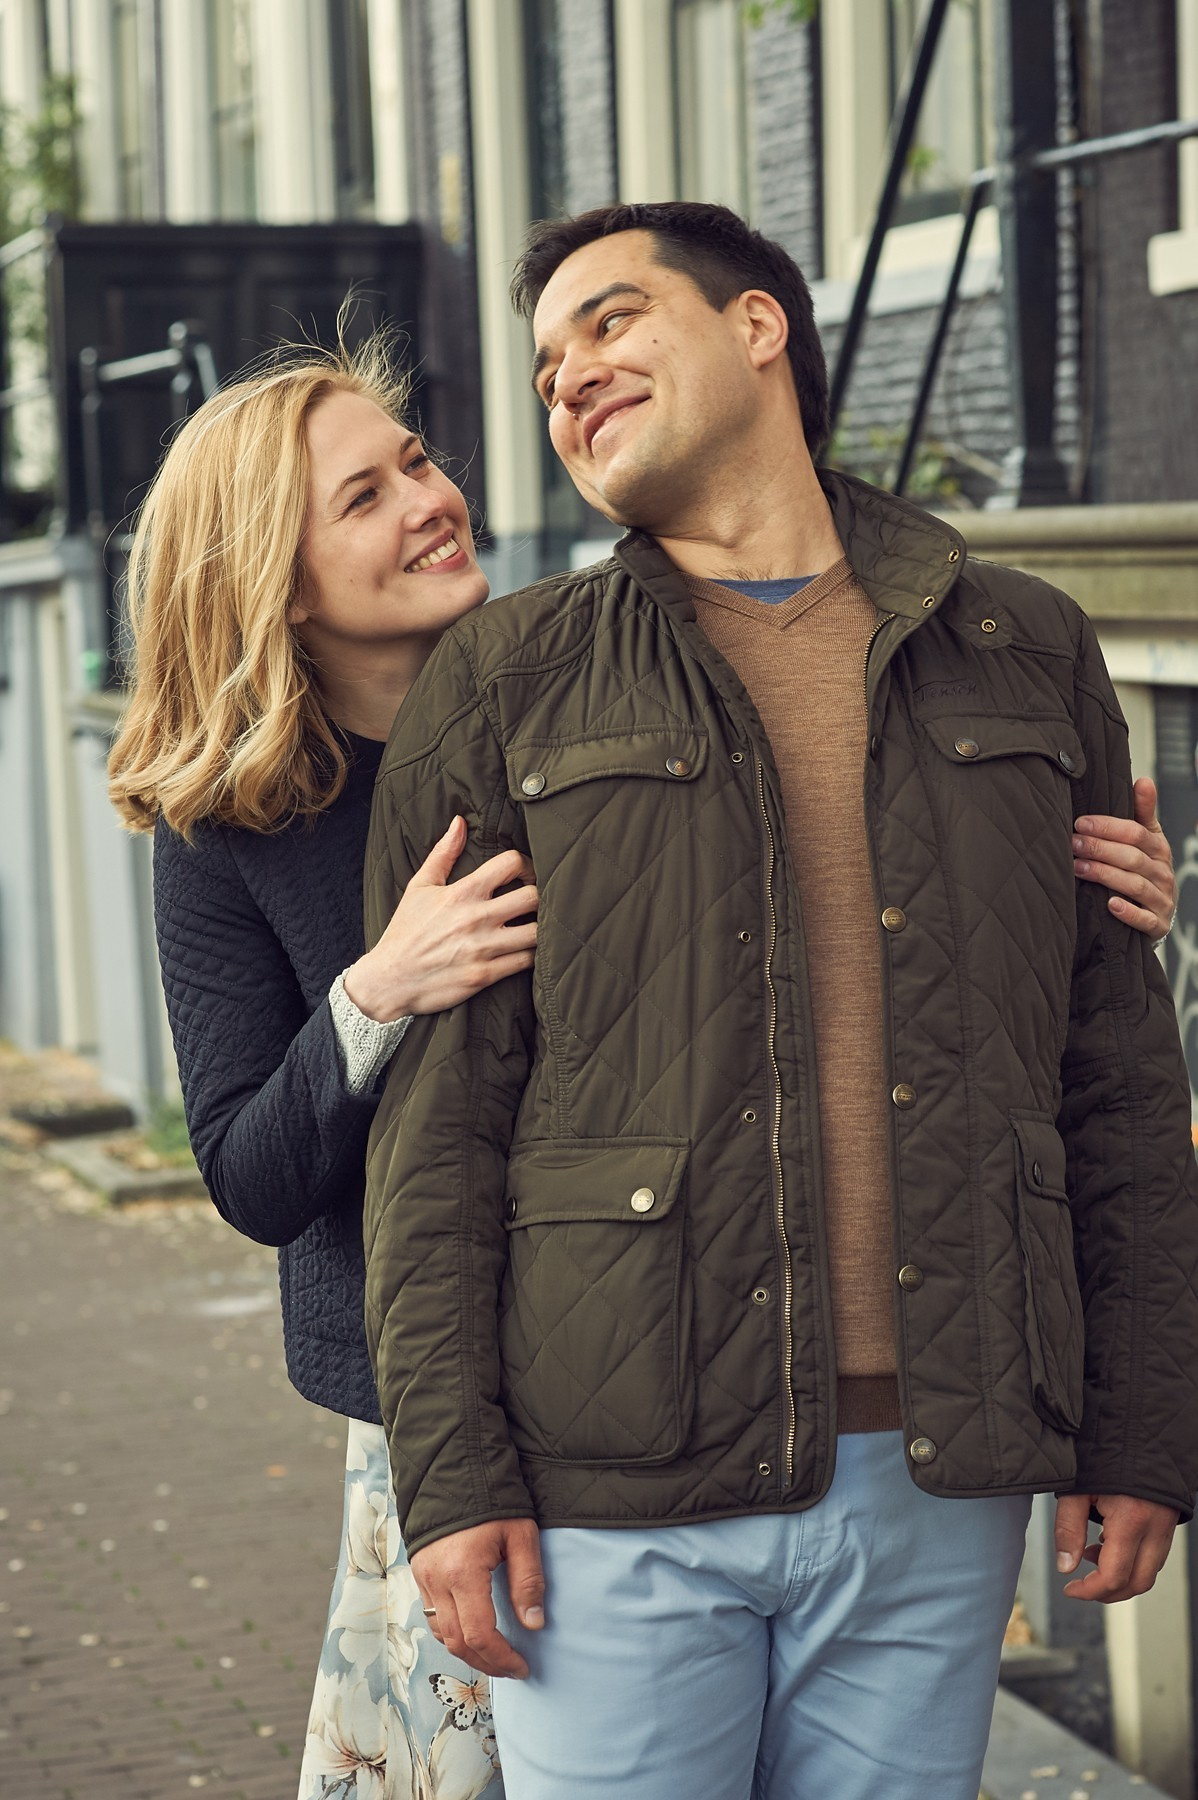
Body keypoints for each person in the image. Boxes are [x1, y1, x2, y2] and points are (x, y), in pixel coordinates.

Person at [360, 201, 1198, 1800]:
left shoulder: (1024, 646)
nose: (568, 377)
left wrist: (1139, 1425)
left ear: (757, 330)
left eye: (609, 322)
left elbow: (1108, 1069)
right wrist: (452, 1474)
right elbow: (443, 1114)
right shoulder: (511, 676)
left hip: (938, 1473)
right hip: (611, 1480)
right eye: (545, 365)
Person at [107, 338, 531, 1800]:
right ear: (278, 583)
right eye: (366, 495)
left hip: (656, 1349)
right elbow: (248, 1174)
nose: (431, 498)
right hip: (426, 1400)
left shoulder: (565, 704)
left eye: (415, 460)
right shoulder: (224, 830)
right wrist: (377, 990)